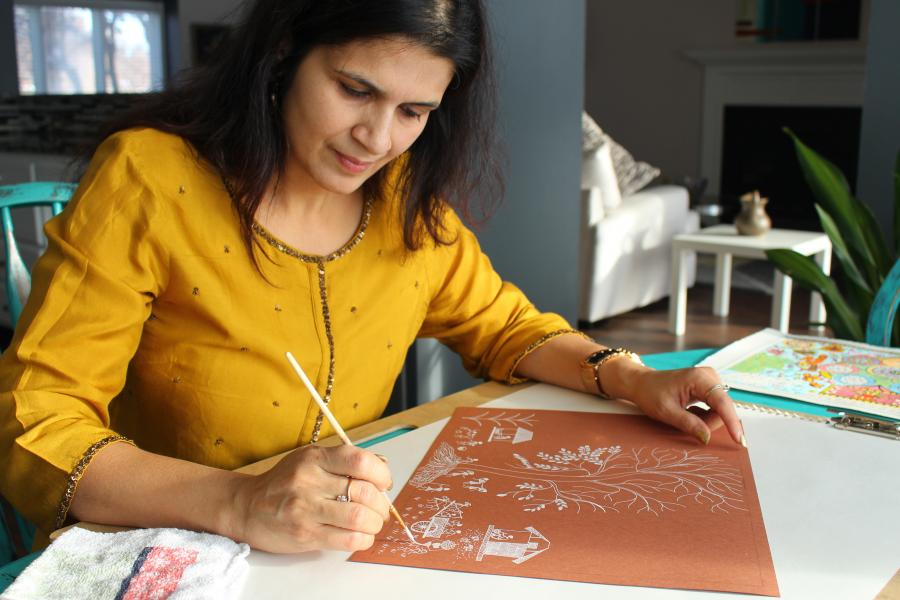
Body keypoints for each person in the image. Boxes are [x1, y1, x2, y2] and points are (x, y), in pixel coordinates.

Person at [0, 0, 744, 555]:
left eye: (413, 111)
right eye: (355, 90)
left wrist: (628, 377)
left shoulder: (405, 210)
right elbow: (33, 423)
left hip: (327, 555)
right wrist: (235, 500)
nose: (378, 139)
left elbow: (509, 328)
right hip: (156, 552)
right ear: (287, 51)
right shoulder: (148, 180)